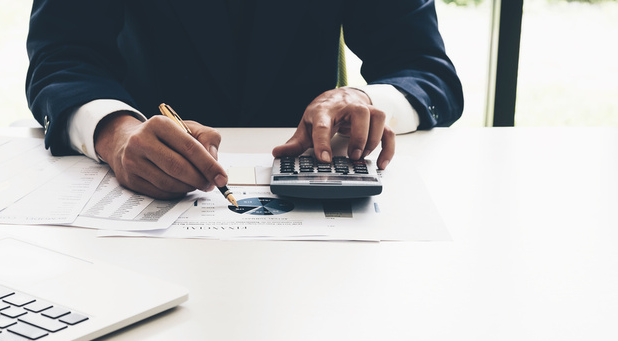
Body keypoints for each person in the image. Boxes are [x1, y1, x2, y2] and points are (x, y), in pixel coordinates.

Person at [26, 0, 463, 200]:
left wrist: (361, 98)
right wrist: (115, 133)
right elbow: (62, 57)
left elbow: (423, 67)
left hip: (318, 239)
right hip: (145, 209)